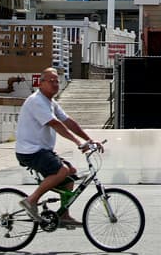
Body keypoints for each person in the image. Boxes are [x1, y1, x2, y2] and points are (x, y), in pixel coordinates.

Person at [15, 67, 100, 224]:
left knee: (70, 174)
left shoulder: (51, 102)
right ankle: (31, 200)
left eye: (57, 81)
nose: (55, 84)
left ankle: (63, 215)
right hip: (29, 151)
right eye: (51, 81)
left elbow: (68, 121)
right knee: (62, 170)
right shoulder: (36, 101)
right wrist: (78, 142)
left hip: (42, 150)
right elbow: (55, 124)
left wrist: (89, 140)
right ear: (41, 84)